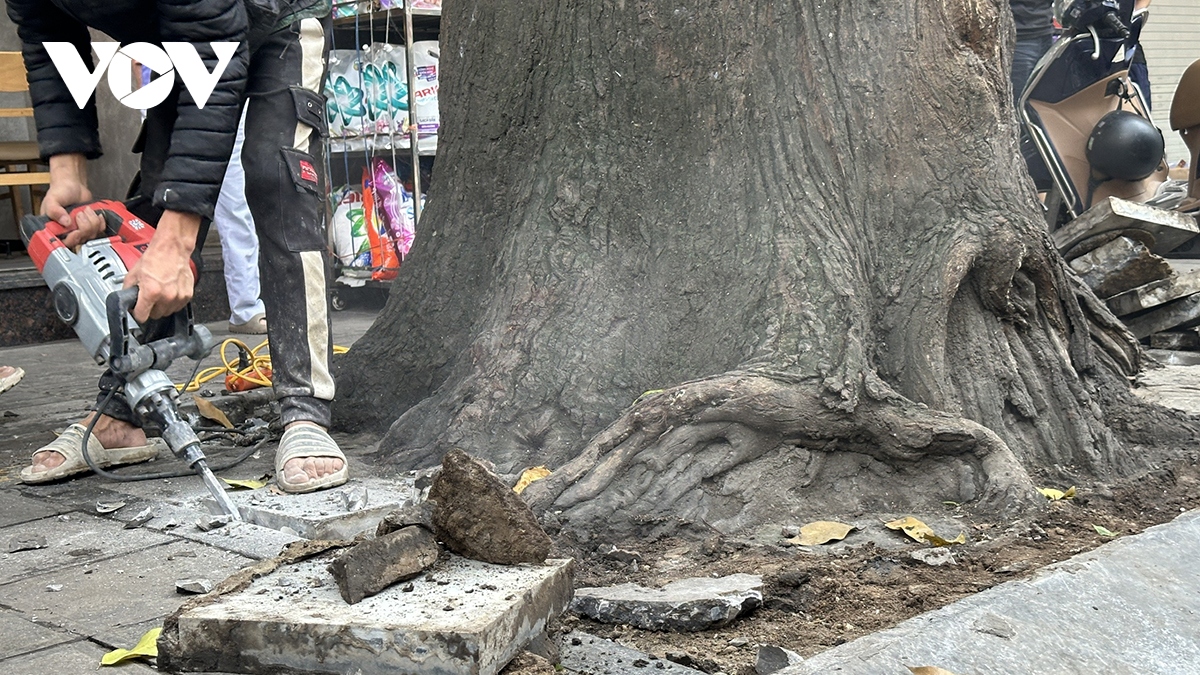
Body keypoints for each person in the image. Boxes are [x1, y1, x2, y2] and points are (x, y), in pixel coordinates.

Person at [8, 0, 349, 493]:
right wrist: (67, 167)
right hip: (178, 35)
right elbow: (48, 34)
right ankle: (124, 415)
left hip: (278, 18)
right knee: (159, 190)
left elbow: (215, 42)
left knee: (278, 177)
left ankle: (306, 410)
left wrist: (176, 240)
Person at [216, 110, 267, 335]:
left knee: (237, 210)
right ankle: (245, 309)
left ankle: (246, 310)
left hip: (233, 107)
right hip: (190, 109)